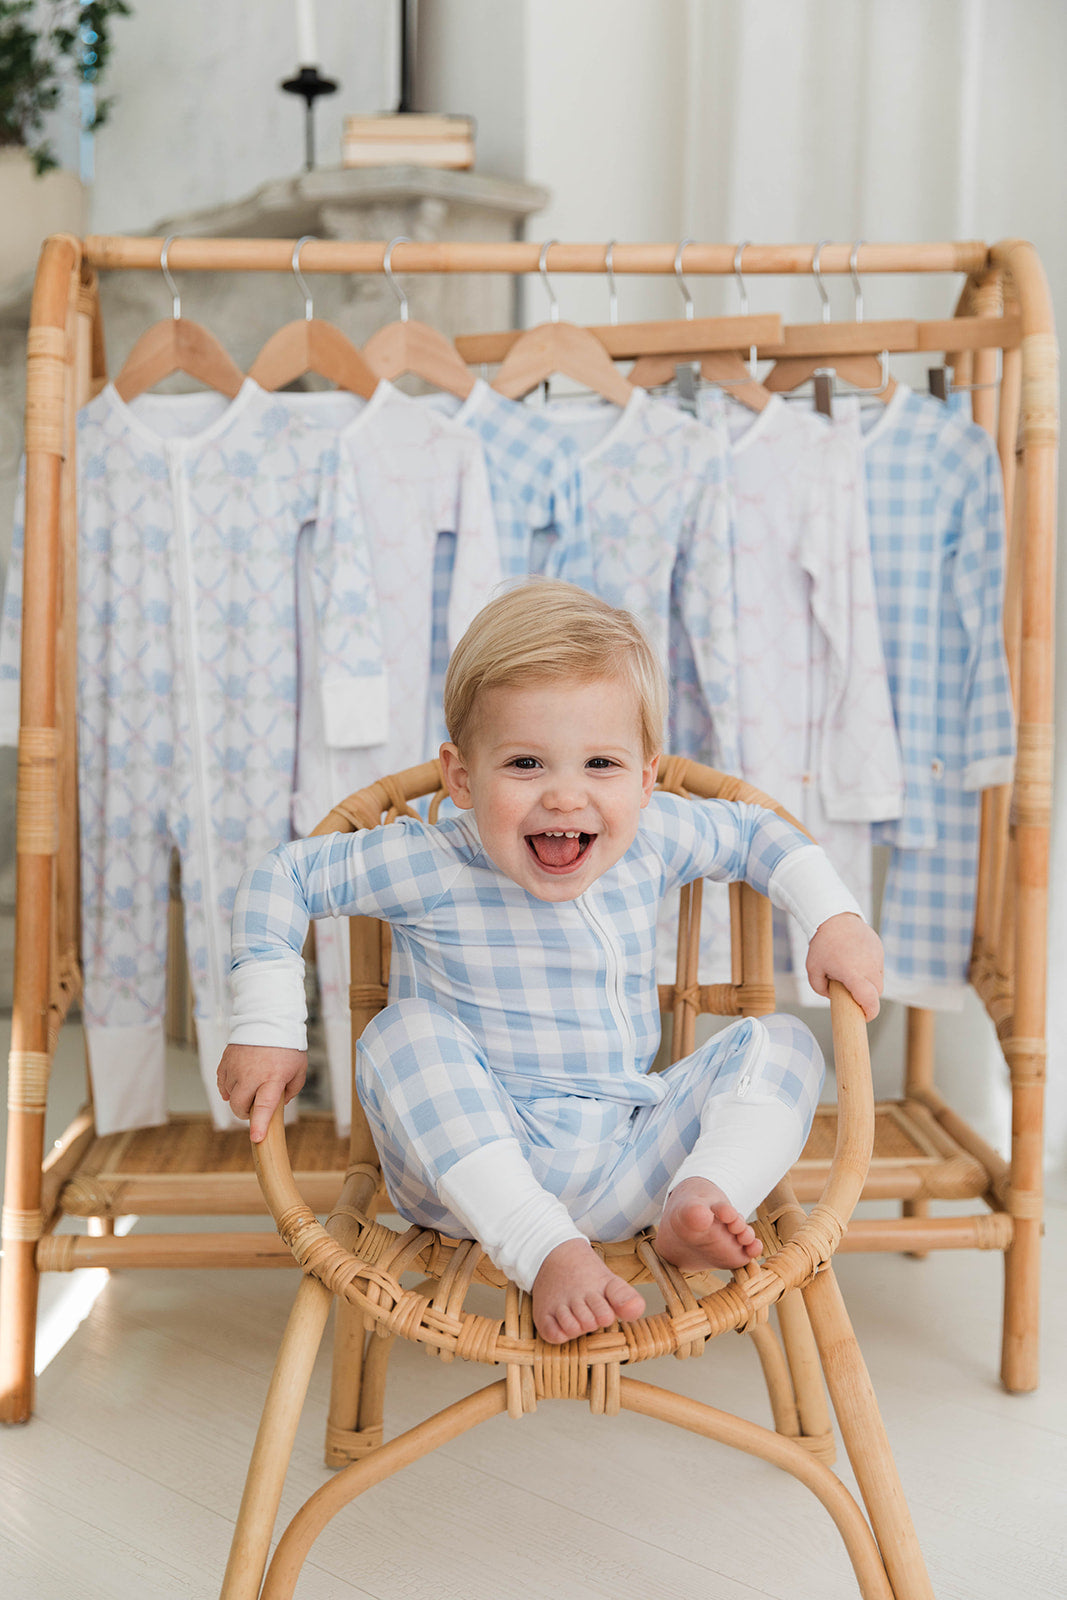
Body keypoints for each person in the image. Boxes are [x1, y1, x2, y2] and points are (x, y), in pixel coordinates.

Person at [217, 580, 883, 1345]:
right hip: (466, 1174)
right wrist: (268, 1022)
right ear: (461, 778)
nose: (565, 797)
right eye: (526, 764)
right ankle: (547, 1251)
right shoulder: (431, 861)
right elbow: (286, 874)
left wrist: (834, 917)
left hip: (629, 1157)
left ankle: (700, 1200)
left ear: (644, 777)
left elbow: (757, 833)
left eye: (600, 763)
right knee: (401, 1035)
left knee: (786, 1044)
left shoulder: (656, 833)